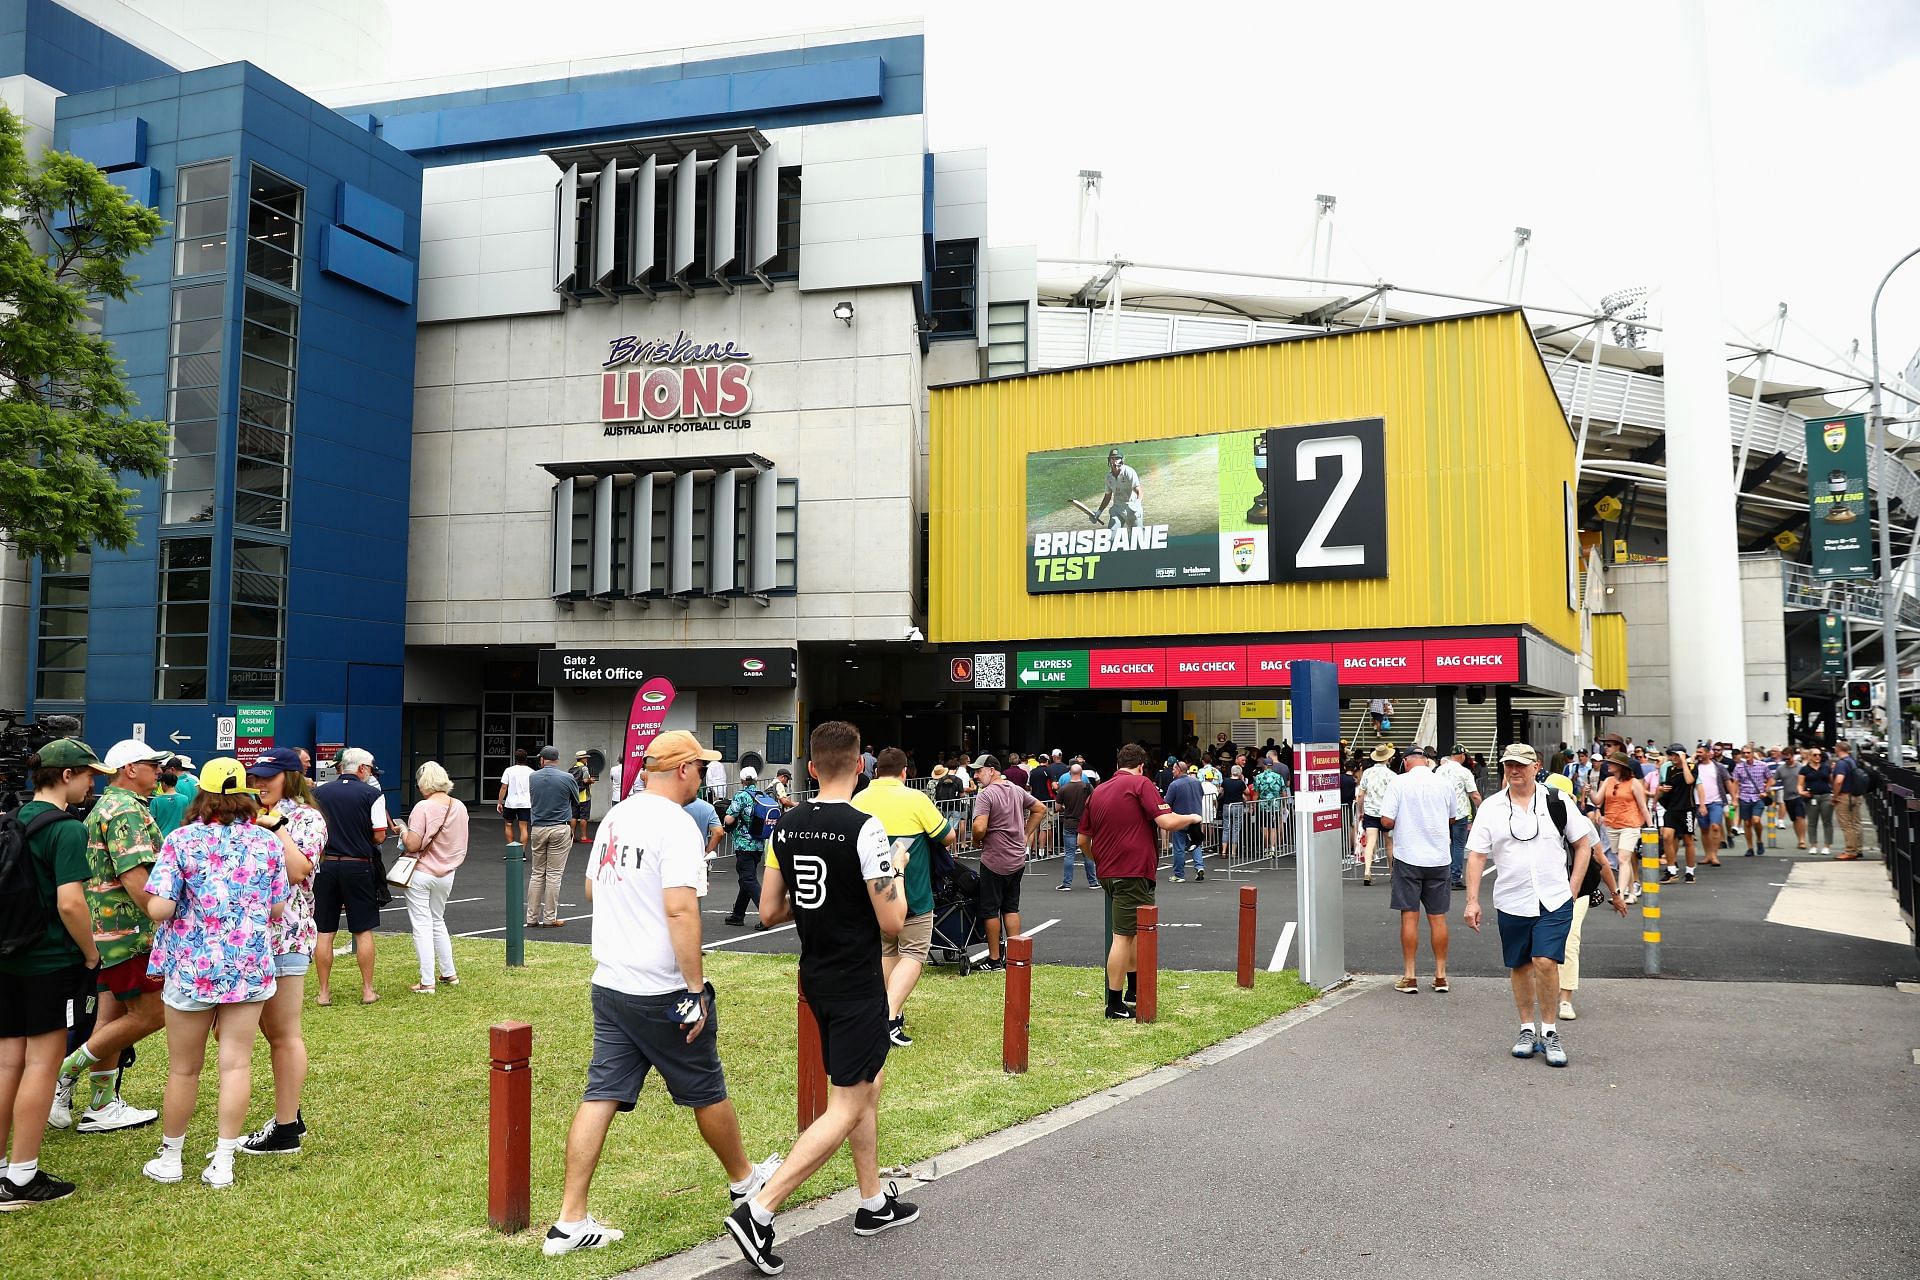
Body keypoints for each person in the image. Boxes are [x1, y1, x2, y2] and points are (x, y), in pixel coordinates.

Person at [544, 730, 780, 1256]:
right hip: (661, 987)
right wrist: (696, 987)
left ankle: (569, 1220)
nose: (704, 776)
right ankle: (745, 1180)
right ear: (681, 770)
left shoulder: (617, 815)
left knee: (600, 1093)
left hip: (611, 980)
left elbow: (590, 887)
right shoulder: (677, 825)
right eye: (700, 767)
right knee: (705, 1087)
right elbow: (680, 909)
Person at [730, 722, 917, 1274]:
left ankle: (872, 1201)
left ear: (811, 767)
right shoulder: (866, 829)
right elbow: (893, 920)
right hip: (858, 979)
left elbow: (769, 912)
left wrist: (821, 902)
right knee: (848, 1102)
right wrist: (898, 872)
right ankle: (758, 1211)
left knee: (865, 1084)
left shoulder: (783, 826)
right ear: (859, 766)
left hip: (815, 975)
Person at [140, 758, 289, 1187]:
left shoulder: (181, 841)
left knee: (183, 1069)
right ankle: (223, 1160)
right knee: (236, 1065)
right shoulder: (266, 843)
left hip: (192, 967)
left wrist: (149, 903)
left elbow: (162, 907)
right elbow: (276, 909)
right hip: (248, 966)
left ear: (200, 793)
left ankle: (171, 1157)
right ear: (245, 794)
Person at [1463, 745, 1624, 1068]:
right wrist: (1471, 901)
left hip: (1554, 898)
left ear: (1536, 766)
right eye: (1509, 765)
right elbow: (1478, 855)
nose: (1514, 770)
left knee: (1545, 961)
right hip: (1512, 898)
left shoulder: (1556, 800)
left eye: (1521, 765)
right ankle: (1526, 1029)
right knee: (1521, 964)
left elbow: (1583, 845)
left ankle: (1549, 1031)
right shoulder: (1492, 807)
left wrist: (1573, 887)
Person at [0, 740, 107, 1209]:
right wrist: (90, 954)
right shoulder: (67, 830)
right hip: (49, 962)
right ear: (66, 776)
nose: (92, 784)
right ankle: (22, 1176)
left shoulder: (14, 818)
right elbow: (70, 902)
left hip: (8, 957)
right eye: (88, 775)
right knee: (43, 1064)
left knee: (7, 1065)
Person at [54, 738, 172, 1134]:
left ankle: (102, 1106)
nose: (159, 771)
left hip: (105, 933)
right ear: (129, 769)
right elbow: (135, 877)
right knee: (153, 1013)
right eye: (151, 764)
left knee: (112, 1018)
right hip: (129, 934)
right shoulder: (126, 811)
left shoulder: (106, 806)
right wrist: (164, 919)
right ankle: (63, 1073)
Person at [239, 748, 322, 1156]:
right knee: (255, 1032)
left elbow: (298, 870)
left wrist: (277, 827)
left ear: (290, 777)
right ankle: (291, 1114)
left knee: (283, 1035)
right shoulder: (247, 811)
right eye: (254, 777)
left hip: (285, 937)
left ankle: (287, 1127)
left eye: (267, 777)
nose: (258, 784)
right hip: (246, 937)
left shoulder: (306, 818)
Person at [1079, 744, 1200, 1020]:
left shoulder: (1098, 791)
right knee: (1123, 937)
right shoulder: (1140, 784)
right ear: (1141, 766)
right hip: (1133, 870)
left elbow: (1084, 840)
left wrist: (1098, 859)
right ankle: (1114, 1002)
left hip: (1109, 872)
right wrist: (1194, 817)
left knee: (1130, 932)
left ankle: (1133, 990)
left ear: (1118, 763)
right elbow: (1166, 821)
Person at [853, 749, 955, 1048]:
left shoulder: (859, 800)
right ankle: (890, 1018)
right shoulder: (916, 799)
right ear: (905, 772)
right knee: (913, 954)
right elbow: (947, 836)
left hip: (872, 895)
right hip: (913, 893)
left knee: (887, 951)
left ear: (874, 771)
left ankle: (884, 1010)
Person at [1379, 746, 1467, 994]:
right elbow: (1453, 817)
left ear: (1406, 761)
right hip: (1439, 857)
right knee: (1437, 917)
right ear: (1426, 761)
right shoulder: (1444, 782)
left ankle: (1410, 975)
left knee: (1409, 915)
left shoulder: (1399, 783)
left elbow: (1386, 820)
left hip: (1408, 856)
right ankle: (1440, 975)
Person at [391, 761, 469, 995]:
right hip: (447, 872)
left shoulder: (423, 807)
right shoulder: (459, 806)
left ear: (424, 783)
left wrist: (403, 830)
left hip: (422, 871)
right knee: (438, 920)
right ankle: (449, 973)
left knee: (422, 925)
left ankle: (427, 981)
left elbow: (414, 843)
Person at [969, 756, 1047, 971]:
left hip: (995, 858)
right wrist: (1025, 834)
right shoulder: (1015, 789)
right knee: (1011, 907)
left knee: (990, 909)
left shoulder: (986, 795)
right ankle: (1015, 956)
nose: (975, 775)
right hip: (1016, 858)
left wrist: (977, 840)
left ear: (992, 770)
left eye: (979, 771)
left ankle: (994, 959)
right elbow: (1040, 808)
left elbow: (978, 828)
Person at [526, 746, 578, 928]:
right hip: (559, 827)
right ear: (556, 759)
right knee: (554, 875)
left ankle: (531, 917)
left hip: (538, 827)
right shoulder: (567, 778)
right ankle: (549, 918)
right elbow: (576, 800)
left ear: (542, 759)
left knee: (537, 873)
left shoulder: (533, 777)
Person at [1596, 751, 1652, 909]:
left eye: (1611, 763)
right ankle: (1632, 893)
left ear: (1620, 767)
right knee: (1623, 860)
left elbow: (1643, 806)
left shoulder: (1634, 783)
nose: (1608, 765)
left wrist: (1651, 827)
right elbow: (1598, 801)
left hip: (1631, 824)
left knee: (1622, 859)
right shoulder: (1608, 781)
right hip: (1612, 825)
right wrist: (1589, 793)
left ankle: (1619, 894)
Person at [722, 767, 773, 928]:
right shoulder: (763, 796)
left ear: (742, 780)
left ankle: (767, 915)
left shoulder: (741, 796)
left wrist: (724, 818)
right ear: (756, 780)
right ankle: (738, 915)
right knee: (746, 879)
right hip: (758, 844)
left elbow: (729, 819)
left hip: (743, 844)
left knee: (748, 879)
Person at [1436, 744, 1482, 890]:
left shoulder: (1439, 770)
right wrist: (1481, 808)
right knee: (1458, 845)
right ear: (1461, 755)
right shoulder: (1464, 772)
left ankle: (1443, 875)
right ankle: (1455, 877)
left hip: (1442, 812)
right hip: (1459, 812)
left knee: (1444, 843)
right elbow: (1474, 794)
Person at [1656, 745, 1699, 884]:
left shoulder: (1691, 767)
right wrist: (1662, 788)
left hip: (1687, 808)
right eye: (1671, 755)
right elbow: (1664, 786)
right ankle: (1671, 869)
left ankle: (1690, 871)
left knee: (1688, 840)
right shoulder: (1669, 769)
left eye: (1676, 755)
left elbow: (1689, 781)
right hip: (1672, 807)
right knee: (1667, 836)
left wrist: (1684, 762)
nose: (1673, 758)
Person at [1053, 761, 1097, 890]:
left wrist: (1065, 808)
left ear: (1069, 773)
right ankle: (1093, 882)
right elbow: (1094, 804)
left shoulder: (1064, 789)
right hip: (1085, 824)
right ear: (1081, 773)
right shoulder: (1088, 787)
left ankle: (1067, 883)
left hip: (1069, 823)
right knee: (1087, 853)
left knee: (1069, 854)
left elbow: (1057, 807)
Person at [1358, 743, 1397, 885]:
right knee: (1389, 843)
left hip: (1370, 811)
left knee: (1370, 842)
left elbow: (1361, 795)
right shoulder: (1392, 775)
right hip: (1387, 813)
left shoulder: (1367, 773)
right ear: (1388, 758)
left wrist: (1360, 811)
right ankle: (1393, 872)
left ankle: (1367, 871)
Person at [1165, 758, 1205, 882]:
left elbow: (1167, 802)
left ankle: (1179, 874)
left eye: (1173, 769)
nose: (1172, 771)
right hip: (1195, 817)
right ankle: (1199, 867)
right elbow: (1201, 795)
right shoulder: (1196, 782)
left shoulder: (1174, 785)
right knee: (1195, 843)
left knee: (1179, 847)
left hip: (1180, 819)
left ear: (1178, 770)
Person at [1692, 745, 1731, 867]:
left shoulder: (1718, 767)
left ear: (1709, 753)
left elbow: (1727, 781)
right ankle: (1708, 854)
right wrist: (1692, 760)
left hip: (1716, 800)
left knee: (1715, 826)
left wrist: (1734, 797)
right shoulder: (1694, 767)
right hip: (1699, 802)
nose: (1698, 754)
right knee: (1704, 829)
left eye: (1701, 752)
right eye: (1697, 751)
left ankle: (1714, 854)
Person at [1830, 740, 1867, 861]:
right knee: (1856, 823)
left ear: (1838, 749)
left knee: (1846, 825)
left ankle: (1850, 850)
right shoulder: (1852, 761)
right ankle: (1858, 848)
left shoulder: (1841, 764)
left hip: (1845, 796)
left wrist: (1835, 795)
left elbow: (1839, 780)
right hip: (1856, 795)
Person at [1733, 746, 1773, 857]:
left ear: (1752, 753)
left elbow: (1770, 778)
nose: (1746, 755)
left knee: (1756, 820)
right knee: (1747, 823)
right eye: (1744, 753)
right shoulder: (1739, 767)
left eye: (1748, 752)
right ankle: (1750, 847)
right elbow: (1735, 782)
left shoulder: (1762, 765)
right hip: (1744, 797)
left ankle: (1759, 840)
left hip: (1757, 796)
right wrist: (1735, 797)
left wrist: (1766, 790)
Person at [1093, 446, 1143, 530]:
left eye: (1117, 458)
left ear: (1122, 460)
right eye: (1112, 459)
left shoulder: (1129, 472)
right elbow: (1107, 496)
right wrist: (1099, 512)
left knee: (1136, 537)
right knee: (1111, 535)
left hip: (1132, 507)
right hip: (1117, 508)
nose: (1114, 461)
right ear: (1109, 460)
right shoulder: (1108, 477)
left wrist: (1137, 504)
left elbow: (1139, 491)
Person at [1799, 745, 1835, 857]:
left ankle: (1827, 846)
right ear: (1809, 756)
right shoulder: (1804, 769)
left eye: (1819, 755)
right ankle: (1813, 845)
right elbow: (1800, 784)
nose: (1817, 757)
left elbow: (1832, 781)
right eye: (1815, 755)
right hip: (1812, 797)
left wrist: (1834, 793)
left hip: (1826, 796)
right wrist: (1801, 792)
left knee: (1827, 821)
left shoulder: (1826, 767)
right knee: (1812, 822)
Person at [497, 748, 534, 845]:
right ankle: (522, 853)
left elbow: (504, 787)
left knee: (508, 825)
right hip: (526, 803)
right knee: (523, 827)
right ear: (526, 758)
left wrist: (499, 802)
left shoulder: (509, 770)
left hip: (511, 803)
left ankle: (511, 851)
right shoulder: (531, 772)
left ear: (515, 759)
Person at [149, 758, 191, 840]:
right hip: (180, 838)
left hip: (161, 839)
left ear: (163, 783)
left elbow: (151, 824)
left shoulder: (156, 801)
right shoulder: (185, 799)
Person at [1777, 747, 1809, 851]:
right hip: (1787, 797)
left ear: (1793, 756)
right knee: (1794, 820)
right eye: (1784, 758)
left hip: (1799, 796)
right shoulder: (1781, 769)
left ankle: (1802, 840)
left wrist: (1805, 791)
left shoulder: (1801, 767)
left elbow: (1806, 779)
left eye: (1788, 758)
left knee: (1800, 817)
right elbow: (1773, 779)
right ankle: (1799, 838)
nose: (1786, 760)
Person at [571, 751, 596, 845]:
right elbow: (585, 780)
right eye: (585, 758)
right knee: (583, 817)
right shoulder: (584, 768)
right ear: (582, 758)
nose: (587, 759)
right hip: (584, 796)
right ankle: (584, 837)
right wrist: (591, 781)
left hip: (574, 796)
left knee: (573, 816)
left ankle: (571, 837)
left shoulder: (573, 768)